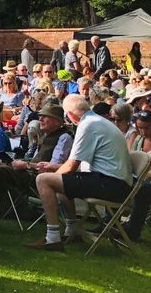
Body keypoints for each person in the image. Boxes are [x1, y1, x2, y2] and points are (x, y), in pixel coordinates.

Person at [26, 94, 131, 251]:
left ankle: (52, 238)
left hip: (110, 184)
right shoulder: (96, 122)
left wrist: (49, 176)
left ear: (70, 115)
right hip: (115, 183)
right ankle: (72, 231)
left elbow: (71, 166)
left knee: (43, 180)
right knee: (62, 182)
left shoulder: (87, 125)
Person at [0, 104, 73, 228]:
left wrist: (26, 165)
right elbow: (36, 158)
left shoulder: (64, 137)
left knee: (2, 171)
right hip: (31, 172)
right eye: (40, 116)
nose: (40, 120)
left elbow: (52, 167)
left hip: (43, 179)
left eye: (45, 117)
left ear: (56, 121)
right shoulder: (47, 135)